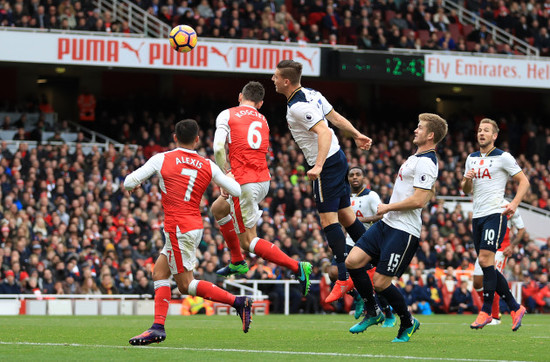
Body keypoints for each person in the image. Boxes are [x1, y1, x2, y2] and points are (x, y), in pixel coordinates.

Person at [125, 119, 252, 346]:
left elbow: (128, 181)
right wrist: (225, 188)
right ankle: (157, 327)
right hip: (193, 226)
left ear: (175, 137)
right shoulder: (207, 164)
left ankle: (238, 302)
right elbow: (235, 190)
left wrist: (133, 186)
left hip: (177, 228)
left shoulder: (162, 158)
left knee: (185, 285)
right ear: (197, 139)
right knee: (159, 273)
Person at [272, 60, 372, 303]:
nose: (272, 80)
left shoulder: (297, 106)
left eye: (275, 77)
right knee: (347, 216)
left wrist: (317, 165)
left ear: (286, 80)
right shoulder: (312, 93)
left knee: (329, 220)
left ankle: (343, 275)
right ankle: (373, 256)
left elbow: (325, 131)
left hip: (326, 164)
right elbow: (335, 118)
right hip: (338, 157)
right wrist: (356, 134)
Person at [345, 113, 448, 342]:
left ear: (430, 135)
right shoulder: (414, 158)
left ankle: (408, 321)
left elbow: (419, 200)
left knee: (381, 282)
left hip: (404, 230)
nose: (415, 130)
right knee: (352, 262)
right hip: (387, 224)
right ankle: (373, 311)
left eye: (419, 128)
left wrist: (387, 207)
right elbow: (426, 194)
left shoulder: (427, 162)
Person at [210, 81, 312, 296]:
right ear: (260, 103)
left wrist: (225, 175)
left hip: (243, 183)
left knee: (249, 242)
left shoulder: (227, 114)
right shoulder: (263, 119)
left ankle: (297, 267)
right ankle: (237, 260)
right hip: (263, 179)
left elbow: (219, 147)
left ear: (240, 96)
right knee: (218, 209)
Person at [461, 118, 529, 331]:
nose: (481, 133)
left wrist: (514, 204)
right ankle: (514, 306)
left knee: (484, 259)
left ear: (494, 136)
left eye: (486, 130)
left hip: (496, 213)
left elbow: (524, 181)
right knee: (487, 264)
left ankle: (486, 311)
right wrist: (467, 179)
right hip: (477, 216)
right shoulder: (471, 158)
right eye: (479, 130)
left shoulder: (503, 157)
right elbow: (465, 190)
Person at [328, 166, 395, 326]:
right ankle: (358, 298)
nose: (355, 177)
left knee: (375, 281)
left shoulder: (371, 196)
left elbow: (383, 215)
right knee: (333, 273)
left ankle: (389, 313)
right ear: (348, 179)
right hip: (350, 242)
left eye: (358, 174)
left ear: (364, 178)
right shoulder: (345, 197)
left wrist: (357, 222)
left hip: (369, 242)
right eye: (352, 175)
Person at [473, 210, 525, 325]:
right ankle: (503, 308)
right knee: (477, 282)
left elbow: (521, 229)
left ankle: (494, 316)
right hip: (485, 248)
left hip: (501, 249)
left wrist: (512, 246)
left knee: (492, 277)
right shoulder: (485, 205)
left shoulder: (509, 207)